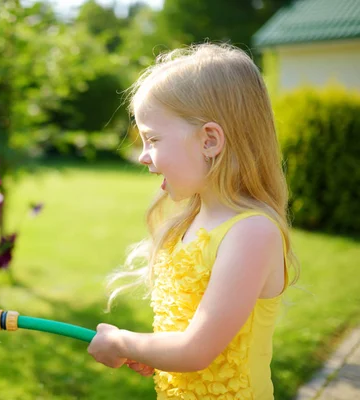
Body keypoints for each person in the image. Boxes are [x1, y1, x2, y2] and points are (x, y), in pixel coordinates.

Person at [87, 43, 300, 399]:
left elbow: (197, 350)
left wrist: (122, 342)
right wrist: (150, 350)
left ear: (210, 140)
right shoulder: (191, 222)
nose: (143, 155)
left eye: (153, 138)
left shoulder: (252, 232)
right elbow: (188, 336)